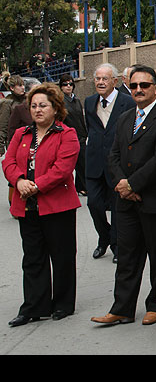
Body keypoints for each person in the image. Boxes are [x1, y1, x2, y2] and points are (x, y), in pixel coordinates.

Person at [91, 65, 156, 327]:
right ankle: (122, 308)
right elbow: (114, 155)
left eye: (144, 85)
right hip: (125, 201)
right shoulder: (124, 118)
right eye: (134, 86)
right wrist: (122, 184)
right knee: (128, 257)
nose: (139, 90)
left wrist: (132, 185)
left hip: (153, 200)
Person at [3, 83, 81, 327]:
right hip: (27, 205)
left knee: (62, 255)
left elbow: (62, 169)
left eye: (43, 105)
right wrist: (18, 181)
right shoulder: (21, 134)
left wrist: (35, 185)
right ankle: (34, 306)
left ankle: (63, 303)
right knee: (33, 257)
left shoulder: (66, 134)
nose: (37, 110)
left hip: (57, 205)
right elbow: (9, 162)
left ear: (55, 108)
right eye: (33, 106)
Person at [84, 63, 136, 263]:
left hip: (117, 164)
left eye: (104, 78)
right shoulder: (89, 102)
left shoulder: (127, 102)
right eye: (97, 78)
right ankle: (103, 236)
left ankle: (116, 245)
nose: (100, 82)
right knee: (94, 204)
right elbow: (90, 129)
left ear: (115, 81)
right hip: (94, 162)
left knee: (116, 208)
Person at [59, 74, 88, 196]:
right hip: (69, 136)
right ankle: (83, 186)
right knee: (79, 162)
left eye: (70, 84)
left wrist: (85, 132)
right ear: (61, 87)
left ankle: (80, 186)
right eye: (65, 84)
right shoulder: (61, 102)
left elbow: (81, 118)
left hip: (81, 134)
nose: (68, 86)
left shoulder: (76, 100)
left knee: (83, 161)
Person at [0, 75, 26, 156]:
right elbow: (3, 125)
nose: (23, 87)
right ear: (12, 88)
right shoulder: (7, 103)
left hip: (30, 140)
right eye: (20, 85)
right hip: (15, 142)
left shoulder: (28, 100)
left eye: (23, 85)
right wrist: (0, 146)